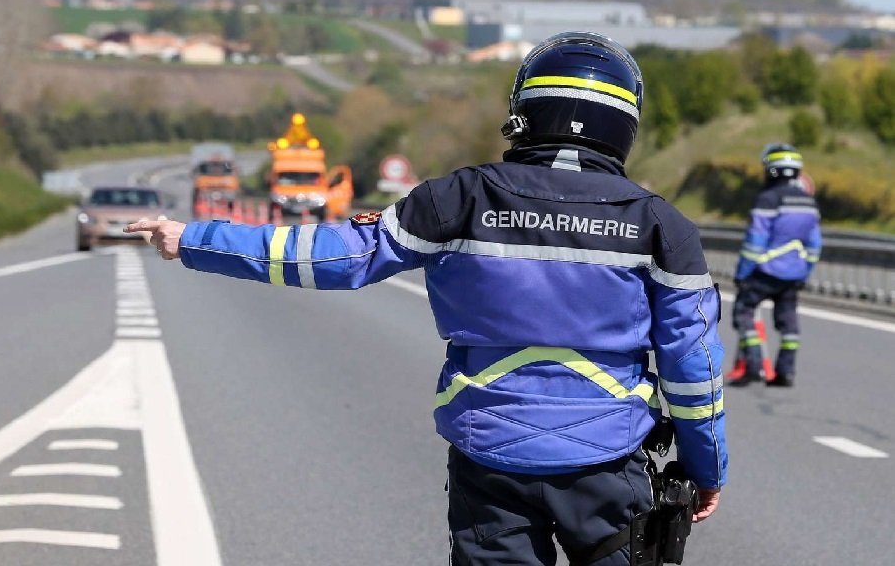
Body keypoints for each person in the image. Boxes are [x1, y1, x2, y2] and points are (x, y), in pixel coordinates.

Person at [127, 31, 726, 566]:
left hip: (490, 460)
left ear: (522, 112)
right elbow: (693, 371)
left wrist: (195, 239)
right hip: (607, 462)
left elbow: (337, 256)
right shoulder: (661, 227)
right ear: (625, 125)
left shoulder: (457, 198)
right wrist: (705, 467)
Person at [731, 143, 822, 388]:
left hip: (764, 271)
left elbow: (755, 240)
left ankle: (754, 365)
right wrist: (806, 272)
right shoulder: (808, 202)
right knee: (788, 322)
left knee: (744, 312)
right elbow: (814, 244)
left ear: (771, 170)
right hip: (794, 274)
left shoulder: (768, 199)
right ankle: (786, 371)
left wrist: (742, 273)